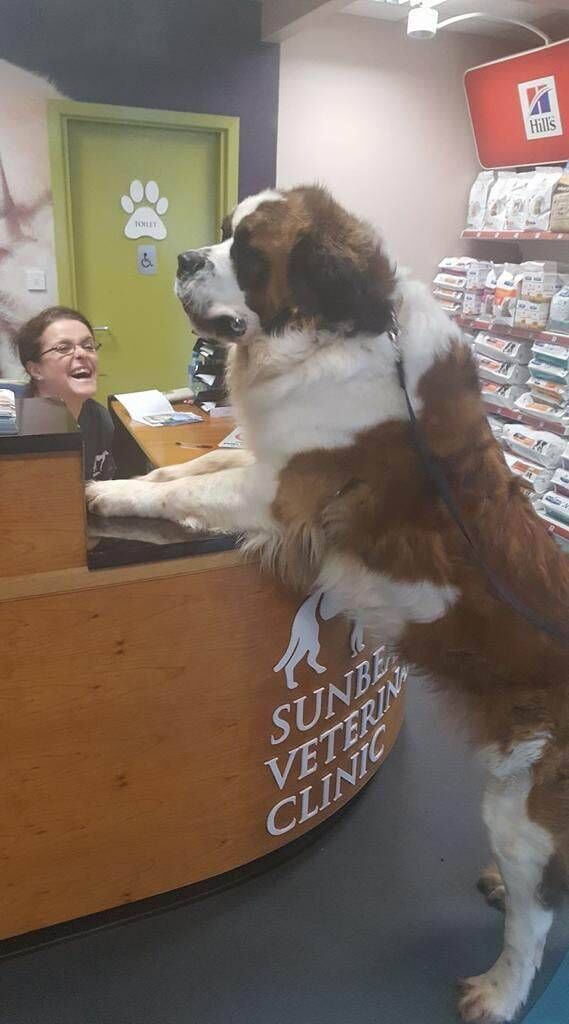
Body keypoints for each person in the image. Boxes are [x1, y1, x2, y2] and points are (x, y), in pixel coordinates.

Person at [14, 305, 116, 480]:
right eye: (63, 348)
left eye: (89, 345)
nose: (82, 353)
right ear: (36, 370)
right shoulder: (15, 432)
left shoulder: (100, 418)